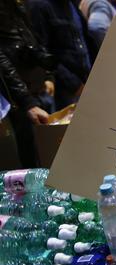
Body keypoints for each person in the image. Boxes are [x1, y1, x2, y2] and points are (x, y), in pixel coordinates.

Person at [0, 0, 56, 167]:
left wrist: (48, 75)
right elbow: (2, 61)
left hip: (38, 89)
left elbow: (33, 40)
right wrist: (27, 102)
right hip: (21, 102)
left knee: (52, 157)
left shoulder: (18, 6)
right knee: (36, 167)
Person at [28, 0, 96, 110]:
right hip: (65, 91)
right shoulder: (39, 5)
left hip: (86, 82)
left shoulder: (71, 4)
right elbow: (43, 53)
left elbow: (85, 40)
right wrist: (74, 84)